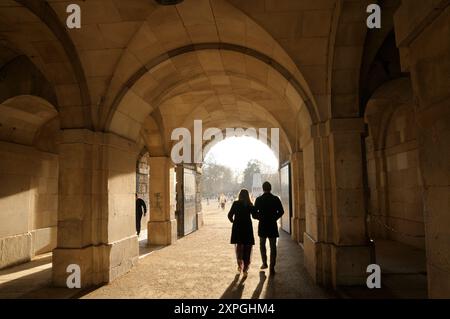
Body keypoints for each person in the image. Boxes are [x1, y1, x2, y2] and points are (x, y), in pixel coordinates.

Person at [253, 181, 284, 275]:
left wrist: (261, 218)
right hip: (272, 226)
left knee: (262, 245)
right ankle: (272, 267)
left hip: (262, 226)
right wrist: (274, 218)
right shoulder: (275, 199)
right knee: (273, 247)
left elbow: (254, 214)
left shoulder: (258, 199)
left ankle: (264, 263)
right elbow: (281, 211)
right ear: (271, 188)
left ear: (263, 189)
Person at [227, 189, 256, 277]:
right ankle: (245, 269)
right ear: (247, 196)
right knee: (248, 248)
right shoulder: (249, 204)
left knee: (239, 247)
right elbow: (254, 216)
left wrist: (234, 222)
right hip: (247, 228)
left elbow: (229, 215)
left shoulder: (236, 204)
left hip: (238, 228)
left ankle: (239, 266)